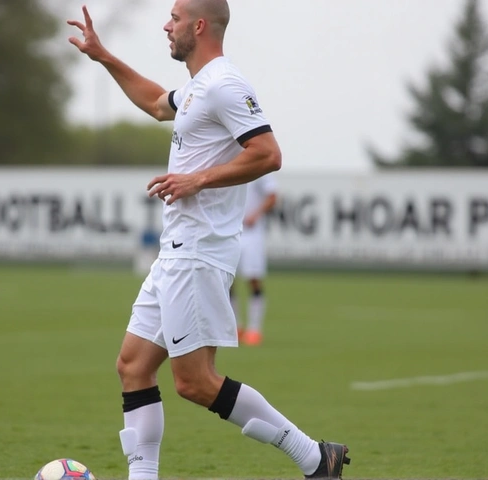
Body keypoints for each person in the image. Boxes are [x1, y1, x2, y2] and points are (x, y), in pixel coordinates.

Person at [67, 1, 350, 479]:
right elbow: (157, 103)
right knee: (133, 366)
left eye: (174, 17)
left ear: (199, 26)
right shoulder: (198, 88)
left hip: (199, 254)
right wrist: (104, 56)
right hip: (176, 252)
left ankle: (314, 458)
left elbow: (268, 154)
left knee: (195, 383)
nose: (166, 24)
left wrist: (196, 180)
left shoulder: (225, 84)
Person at [230, 174, 278, 346]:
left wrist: (255, 215)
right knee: (227, 281)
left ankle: (254, 329)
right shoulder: (231, 160)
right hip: (231, 230)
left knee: (253, 279)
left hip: (252, 233)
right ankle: (235, 326)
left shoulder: (262, 169)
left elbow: (273, 196)